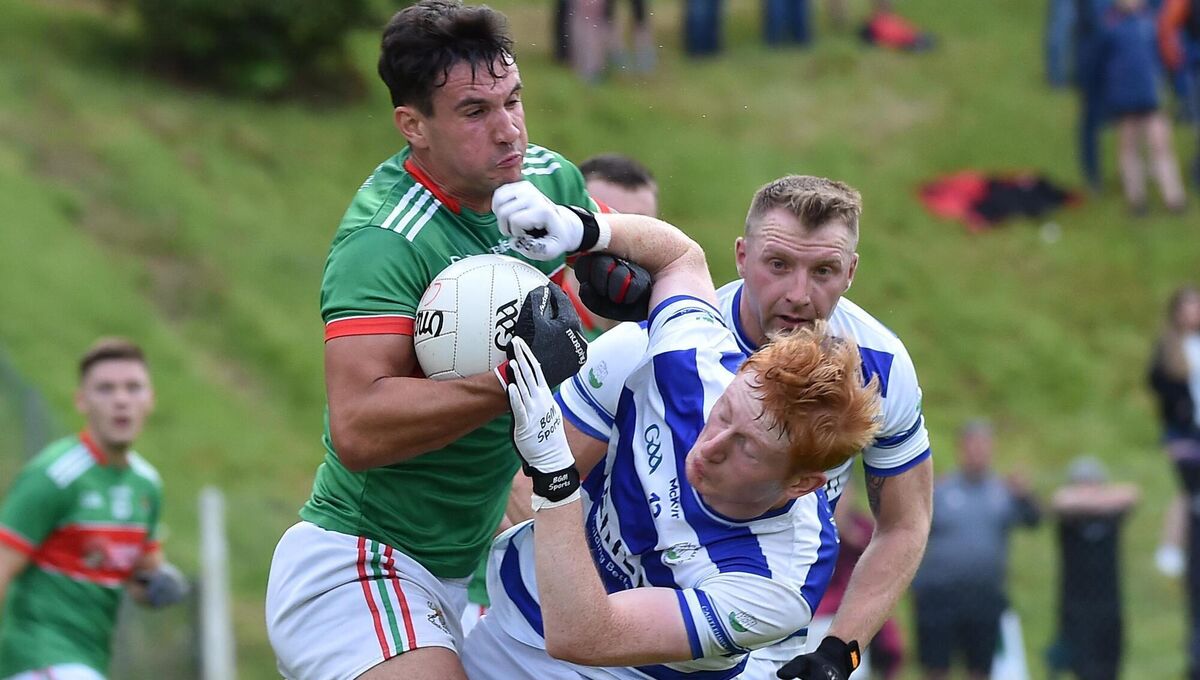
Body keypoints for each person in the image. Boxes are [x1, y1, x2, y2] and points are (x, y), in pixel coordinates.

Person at [262, 3, 633, 678]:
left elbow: (621, 280)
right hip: (363, 561)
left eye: (513, 100)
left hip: (472, 567)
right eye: (474, 111)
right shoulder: (384, 242)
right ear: (414, 126)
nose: (507, 129)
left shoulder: (548, 180)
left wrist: (606, 257)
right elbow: (357, 425)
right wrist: (510, 379)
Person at [459, 180, 883, 678]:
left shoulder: (780, 580)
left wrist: (555, 476)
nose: (711, 445)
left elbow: (585, 634)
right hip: (512, 627)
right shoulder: (692, 361)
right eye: (724, 415)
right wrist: (580, 227)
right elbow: (682, 257)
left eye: (747, 448)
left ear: (801, 483)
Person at [555, 174, 934, 680]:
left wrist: (840, 649)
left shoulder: (882, 369)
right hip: (611, 613)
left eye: (824, 270)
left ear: (851, 272)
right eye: (778, 265)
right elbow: (536, 477)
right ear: (741, 256)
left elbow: (905, 524)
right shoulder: (671, 339)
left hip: (760, 631)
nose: (799, 294)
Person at [0, 338, 187, 680]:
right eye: (105, 389)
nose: (121, 400)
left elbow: (140, 578)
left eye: (133, 388)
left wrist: (162, 585)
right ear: (82, 401)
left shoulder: (147, 485)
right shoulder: (55, 476)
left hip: (90, 659)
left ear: (151, 400)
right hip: (37, 657)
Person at [910, 420, 1041, 680]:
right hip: (938, 597)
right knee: (936, 668)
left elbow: (1034, 520)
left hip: (984, 597)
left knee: (981, 668)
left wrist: (1025, 495)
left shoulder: (1002, 492)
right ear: (961, 448)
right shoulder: (942, 489)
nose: (978, 452)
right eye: (973, 445)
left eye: (984, 446)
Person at [1148, 284, 1200, 678]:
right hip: (1186, 435)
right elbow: (1160, 386)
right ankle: (1172, 547)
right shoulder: (1170, 350)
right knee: (1189, 491)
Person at [1049, 456, 1138, 680]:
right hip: (1077, 608)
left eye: (1093, 483)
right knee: (1084, 671)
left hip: (1109, 605)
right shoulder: (1069, 518)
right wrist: (1098, 500)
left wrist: (1095, 500)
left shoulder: (1111, 517)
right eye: (1083, 483)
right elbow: (1061, 501)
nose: (1088, 490)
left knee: (1110, 669)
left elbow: (1132, 494)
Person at [1100, 0, 1188, 213]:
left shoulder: (1153, 22)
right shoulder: (1110, 25)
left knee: (1161, 145)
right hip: (1125, 99)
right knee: (1129, 147)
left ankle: (1174, 198)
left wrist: (1177, 88)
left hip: (1152, 97)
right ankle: (1136, 199)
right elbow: (1101, 65)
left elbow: (1170, 56)